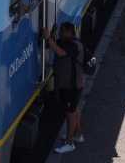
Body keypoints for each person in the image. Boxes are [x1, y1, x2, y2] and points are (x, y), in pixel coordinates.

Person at [45, 23, 85, 154]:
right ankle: (78, 135)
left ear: (70, 32)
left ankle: (69, 143)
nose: (60, 34)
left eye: (63, 31)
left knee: (70, 113)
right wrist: (51, 38)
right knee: (74, 111)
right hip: (70, 85)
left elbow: (61, 53)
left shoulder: (74, 45)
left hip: (72, 86)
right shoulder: (65, 41)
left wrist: (48, 39)